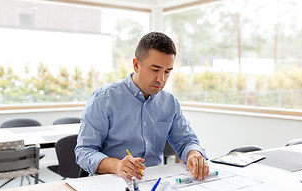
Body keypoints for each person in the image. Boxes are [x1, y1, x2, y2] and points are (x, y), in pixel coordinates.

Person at [75, 31, 209, 181]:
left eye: (167, 71)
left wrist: (194, 154)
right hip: (112, 181)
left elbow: (185, 141)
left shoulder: (169, 103)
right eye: (155, 69)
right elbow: (84, 151)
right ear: (136, 65)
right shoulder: (104, 98)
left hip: (155, 182)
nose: (161, 79)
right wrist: (117, 165)